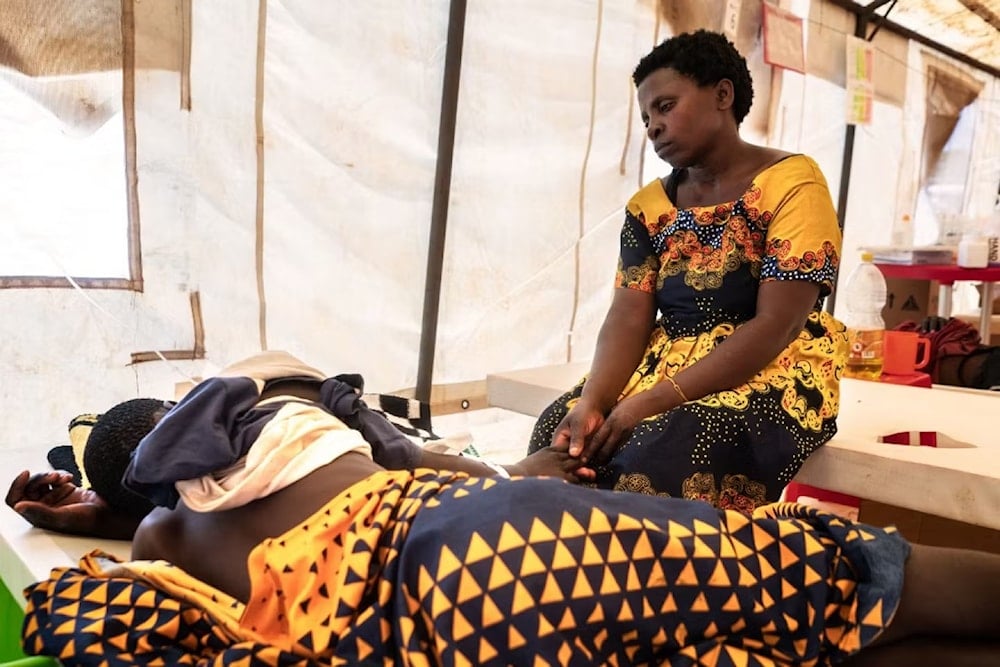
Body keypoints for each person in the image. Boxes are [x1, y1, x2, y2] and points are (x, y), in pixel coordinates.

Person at [12, 383, 1000, 666]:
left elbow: (116, 575)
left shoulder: (160, 541)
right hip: (489, 519)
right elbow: (465, 470)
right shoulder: (289, 417)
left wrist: (94, 509)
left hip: (448, 617)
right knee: (803, 576)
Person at [528, 29, 847, 511]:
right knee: (557, 436)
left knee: (664, 451)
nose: (653, 126)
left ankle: (672, 582)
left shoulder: (793, 185)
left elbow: (776, 326)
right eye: (646, 117)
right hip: (664, 365)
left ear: (723, 94)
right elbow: (628, 318)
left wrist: (648, 403)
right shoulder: (649, 207)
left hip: (768, 367)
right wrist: (593, 400)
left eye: (666, 106)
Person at [7, 351, 594, 540]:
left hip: (430, 530)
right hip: (435, 516)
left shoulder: (169, 529)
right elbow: (406, 460)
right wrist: (511, 472)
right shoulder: (269, 404)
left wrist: (98, 518)